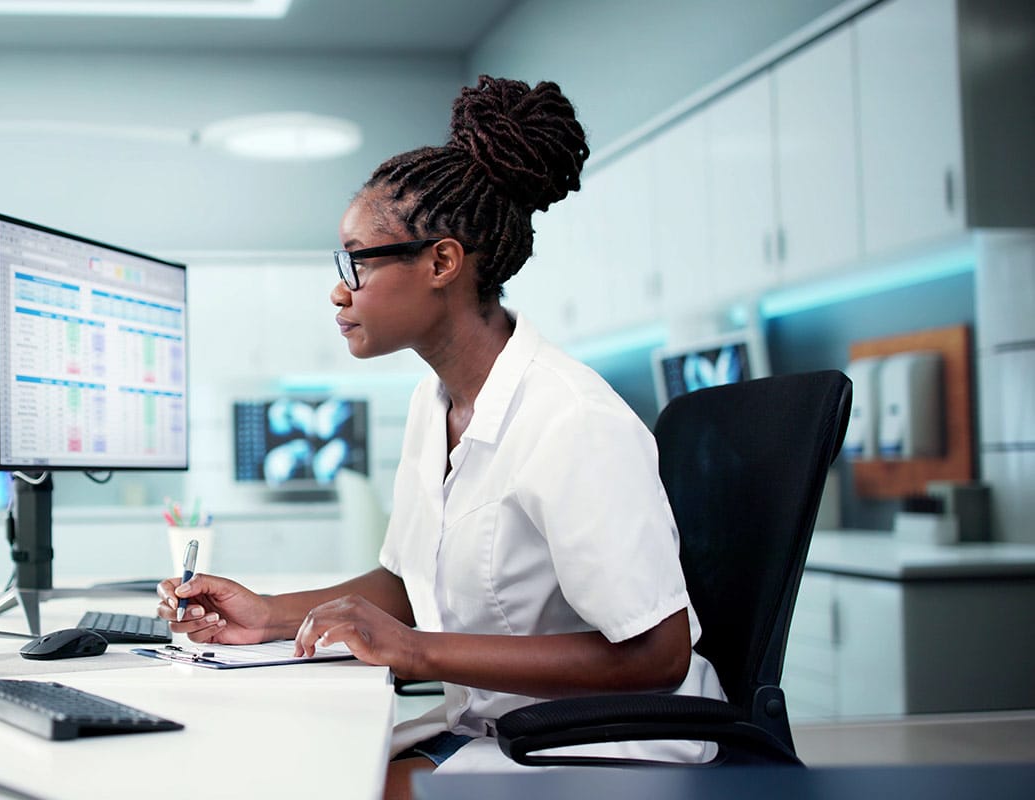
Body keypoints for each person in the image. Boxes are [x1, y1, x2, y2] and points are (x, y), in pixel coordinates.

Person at [156, 76, 725, 797]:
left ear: (441, 263)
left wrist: (417, 651)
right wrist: (267, 614)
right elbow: (404, 580)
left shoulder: (572, 419)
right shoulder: (437, 404)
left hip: (606, 747)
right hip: (495, 729)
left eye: (357, 260)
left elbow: (657, 655)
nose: (340, 289)